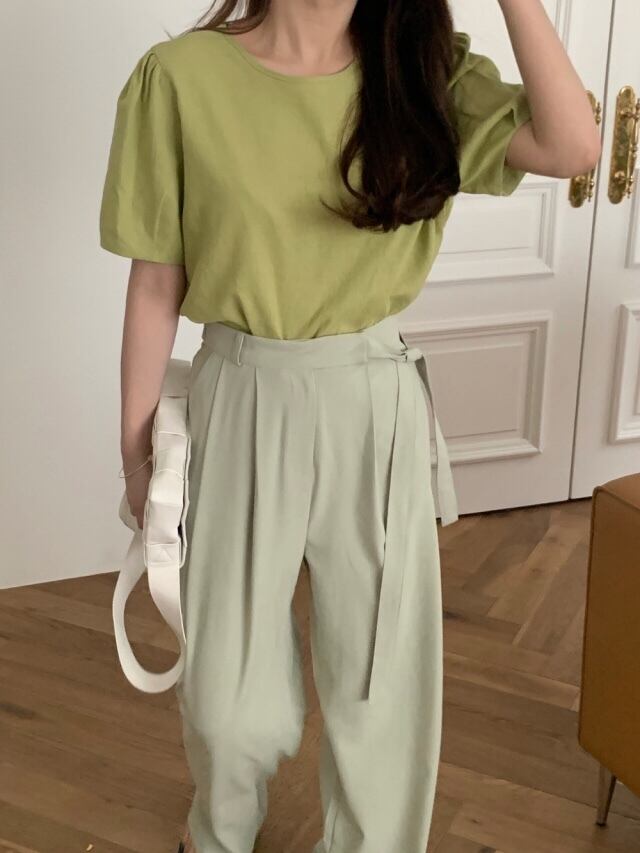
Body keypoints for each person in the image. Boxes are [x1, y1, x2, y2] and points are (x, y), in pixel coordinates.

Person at [98, 1, 600, 851]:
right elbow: (156, 283)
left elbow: (575, 146)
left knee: (381, 684)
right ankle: (217, 833)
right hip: (241, 394)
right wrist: (135, 452)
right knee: (226, 697)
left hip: (375, 404)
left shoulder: (427, 77)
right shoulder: (180, 78)